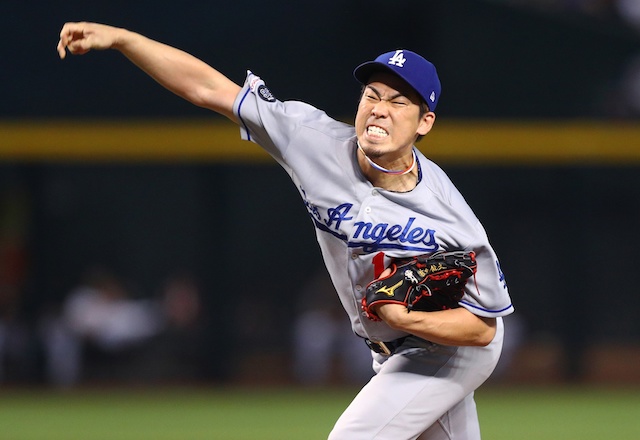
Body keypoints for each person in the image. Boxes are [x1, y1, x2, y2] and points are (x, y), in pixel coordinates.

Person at [57, 22, 514, 439]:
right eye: (372, 95)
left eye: (398, 102)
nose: (379, 110)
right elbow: (207, 89)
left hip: (448, 350)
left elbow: (482, 330)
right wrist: (123, 40)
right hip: (390, 351)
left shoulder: (451, 217)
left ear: (425, 122)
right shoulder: (311, 140)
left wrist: (405, 318)